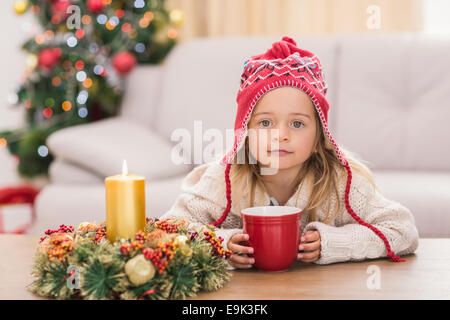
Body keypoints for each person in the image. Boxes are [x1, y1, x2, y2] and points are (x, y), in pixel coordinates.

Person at [160, 36, 419, 270]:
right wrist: (220, 246)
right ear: (245, 134)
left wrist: (337, 243)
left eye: (297, 124)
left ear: (320, 137)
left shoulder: (341, 181)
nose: (280, 135)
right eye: (265, 123)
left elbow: (403, 230)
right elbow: (168, 229)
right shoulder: (225, 178)